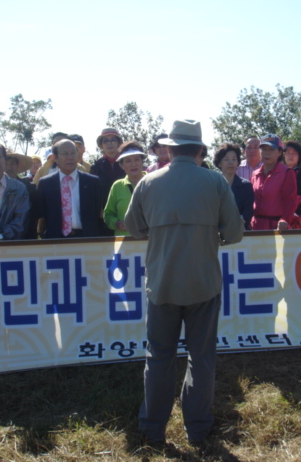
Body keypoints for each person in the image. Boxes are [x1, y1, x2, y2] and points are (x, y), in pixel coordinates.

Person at [125, 119, 243, 444]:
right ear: (200, 150)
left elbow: (133, 227)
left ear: (170, 148)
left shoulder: (148, 182)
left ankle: (152, 430)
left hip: (162, 285)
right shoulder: (216, 182)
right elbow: (234, 233)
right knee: (201, 357)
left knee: (159, 356)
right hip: (203, 285)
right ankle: (198, 429)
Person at [37, 139, 102, 238]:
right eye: (65, 154)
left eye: (73, 153)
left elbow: (97, 211)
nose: (70, 157)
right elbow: (42, 213)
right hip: (55, 240)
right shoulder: (45, 183)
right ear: (55, 157)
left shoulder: (92, 182)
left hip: (87, 239)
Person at [250, 134, 297, 230]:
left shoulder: (287, 173)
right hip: (256, 226)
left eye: (271, 149)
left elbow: (290, 201)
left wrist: (285, 219)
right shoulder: (255, 174)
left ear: (280, 152)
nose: (267, 153)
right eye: (264, 149)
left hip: (278, 227)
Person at [103, 141, 147, 236]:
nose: (133, 164)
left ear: (142, 162)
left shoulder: (154, 182)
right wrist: (117, 224)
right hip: (125, 243)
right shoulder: (117, 186)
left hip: (151, 240)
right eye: (128, 161)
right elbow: (108, 215)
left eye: (137, 159)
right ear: (122, 165)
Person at [90, 128, 125, 236]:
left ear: (119, 143)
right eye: (106, 141)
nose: (109, 143)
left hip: (125, 216)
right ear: (101, 145)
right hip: (103, 219)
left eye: (113, 140)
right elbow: (92, 193)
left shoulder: (127, 163)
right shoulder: (96, 166)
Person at [213, 143, 254, 229]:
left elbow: (248, 212)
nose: (231, 162)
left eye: (234, 159)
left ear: (238, 162)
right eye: (226, 159)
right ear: (219, 163)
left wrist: (235, 222)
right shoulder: (213, 185)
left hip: (240, 232)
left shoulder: (246, 185)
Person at [5, 152, 38, 239]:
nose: (8, 167)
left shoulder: (29, 187)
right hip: (1, 239)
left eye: (12, 164)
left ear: (17, 166)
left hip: (26, 237)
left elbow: (36, 213)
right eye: (5, 164)